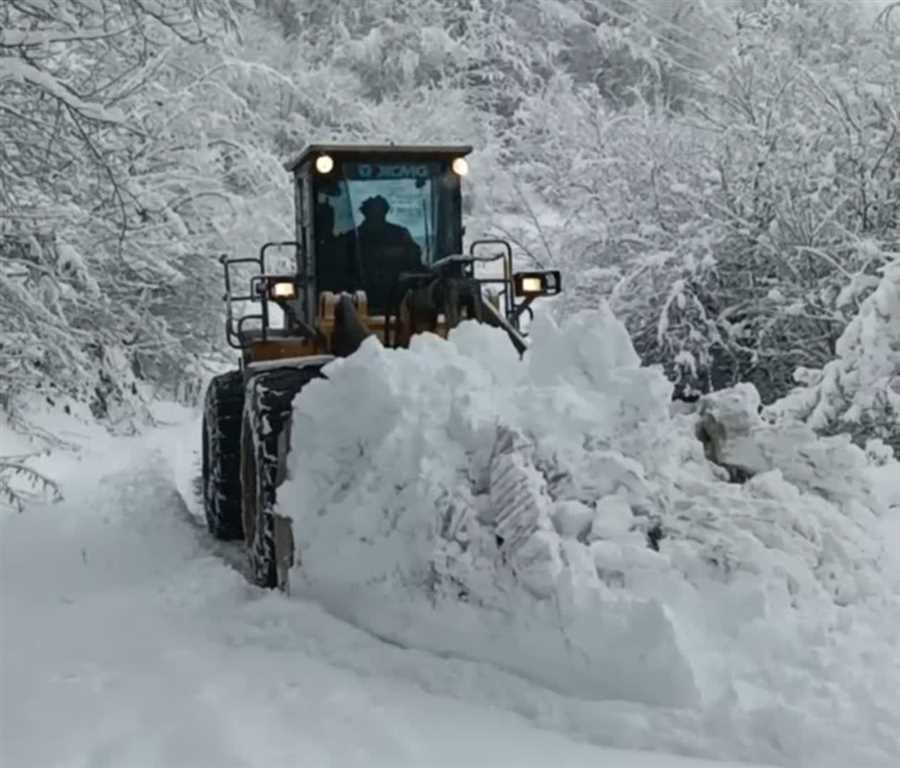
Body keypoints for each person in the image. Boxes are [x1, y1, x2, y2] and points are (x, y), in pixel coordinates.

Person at [353, 195, 423, 311]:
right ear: (365, 213)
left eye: (380, 211)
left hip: (402, 302)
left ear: (385, 212)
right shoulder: (353, 238)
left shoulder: (401, 234)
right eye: (373, 212)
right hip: (360, 301)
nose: (376, 215)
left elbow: (415, 260)